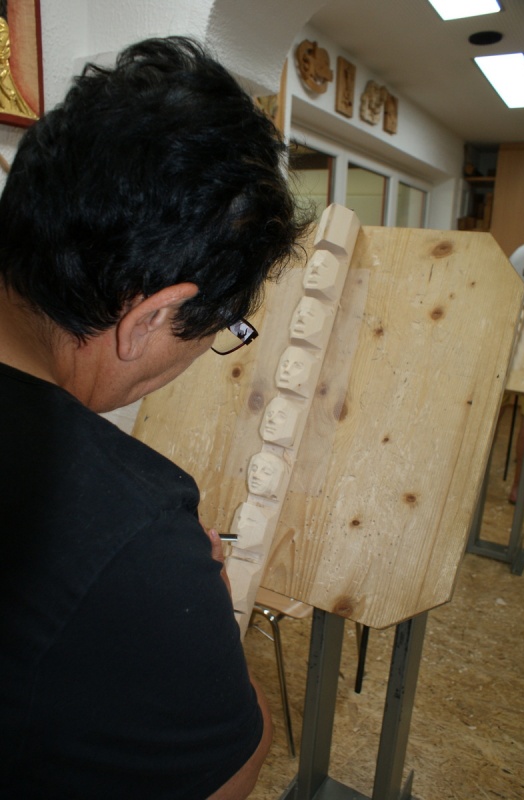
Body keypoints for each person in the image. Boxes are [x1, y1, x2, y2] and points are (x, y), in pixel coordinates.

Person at [0, 36, 308, 799]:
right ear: (152, 318)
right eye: (221, 330)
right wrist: (187, 592)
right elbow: (228, 774)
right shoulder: (131, 528)